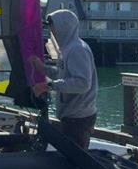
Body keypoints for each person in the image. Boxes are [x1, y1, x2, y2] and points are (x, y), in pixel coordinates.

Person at [30, 9, 98, 150]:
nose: (51, 30)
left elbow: (82, 83)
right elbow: (64, 75)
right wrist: (42, 68)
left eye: (53, 25)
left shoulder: (77, 49)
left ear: (64, 26)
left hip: (79, 118)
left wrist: (49, 86)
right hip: (71, 115)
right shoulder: (66, 49)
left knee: (75, 160)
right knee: (69, 157)